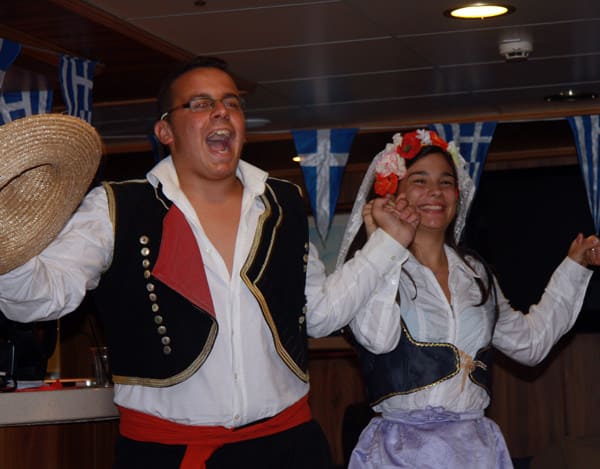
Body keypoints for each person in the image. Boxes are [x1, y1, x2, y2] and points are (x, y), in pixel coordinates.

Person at [0, 57, 416, 469]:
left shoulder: (283, 203)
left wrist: (388, 243)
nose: (221, 111)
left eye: (232, 103)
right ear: (165, 130)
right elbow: (42, 298)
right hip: (167, 454)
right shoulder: (114, 207)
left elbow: (321, 315)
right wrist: (8, 248)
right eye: (200, 103)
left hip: (289, 448)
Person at [335, 129, 600, 469]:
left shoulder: (474, 273)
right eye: (420, 180)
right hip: (401, 453)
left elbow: (530, 344)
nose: (435, 192)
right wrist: (386, 246)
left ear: (457, 195)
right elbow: (376, 337)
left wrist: (575, 266)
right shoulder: (370, 267)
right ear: (393, 191)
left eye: (446, 182)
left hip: (475, 450)